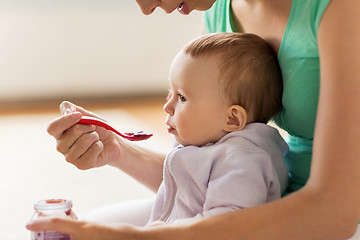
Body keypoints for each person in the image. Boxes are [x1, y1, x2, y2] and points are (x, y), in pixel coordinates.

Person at [26, 0, 360, 239]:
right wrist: (119, 150)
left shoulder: (341, 9)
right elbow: (205, 174)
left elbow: (335, 214)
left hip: (335, 215)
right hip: (279, 200)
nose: (144, 7)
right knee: (94, 224)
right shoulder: (218, 11)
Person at [148, 32, 288, 224]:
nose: (167, 107)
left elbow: (226, 225)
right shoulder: (202, 139)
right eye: (169, 92)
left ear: (232, 119)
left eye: (181, 97)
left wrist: (166, 233)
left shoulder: (243, 162)